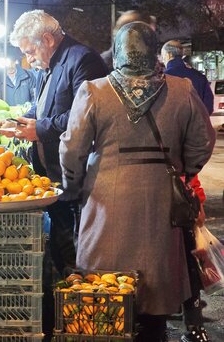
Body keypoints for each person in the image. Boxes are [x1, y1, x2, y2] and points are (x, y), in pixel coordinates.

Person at [59, 22, 215, 342]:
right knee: (156, 292)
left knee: (104, 293)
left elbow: (71, 149)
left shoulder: (93, 91)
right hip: (162, 202)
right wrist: (181, 171)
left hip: (105, 201)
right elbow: (202, 142)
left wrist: (73, 187)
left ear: (117, 52)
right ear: (154, 51)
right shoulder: (181, 90)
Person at [0, 9, 108, 341]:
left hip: (76, 177)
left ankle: (83, 315)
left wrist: (39, 129)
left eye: (30, 51)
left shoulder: (82, 60)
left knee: (77, 249)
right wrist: (22, 119)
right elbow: (45, 105)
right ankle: (65, 308)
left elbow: (85, 119)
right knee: (61, 248)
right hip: (52, 175)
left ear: (47, 39)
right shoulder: (49, 65)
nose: (30, 59)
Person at [161, 39, 214, 342]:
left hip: (166, 180)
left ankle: (169, 313)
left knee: (173, 251)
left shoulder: (164, 86)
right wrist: (191, 172)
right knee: (189, 251)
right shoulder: (198, 80)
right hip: (182, 179)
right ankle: (194, 325)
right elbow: (204, 129)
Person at [162, 40, 214, 115]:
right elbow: (208, 107)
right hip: (198, 125)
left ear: (168, 55)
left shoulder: (163, 79)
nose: (163, 61)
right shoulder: (200, 77)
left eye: (163, 57)